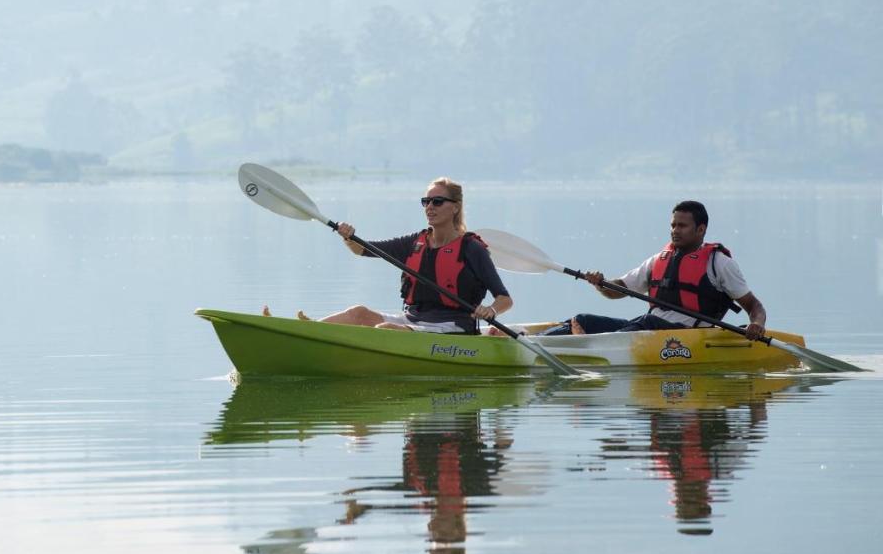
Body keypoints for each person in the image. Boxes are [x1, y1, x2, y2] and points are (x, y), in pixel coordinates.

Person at [304, 177, 512, 335]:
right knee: (358, 313)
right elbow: (362, 249)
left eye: (437, 201)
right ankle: (307, 331)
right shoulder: (415, 243)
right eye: (426, 201)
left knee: (386, 329)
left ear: (455, 207)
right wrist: (349, 238)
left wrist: (491, 310)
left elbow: (504, 299)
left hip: (452, 326)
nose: (430, 207)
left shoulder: (472, 248)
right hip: (412, 319)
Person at [546, 200, 768, 339]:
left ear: (701, 229)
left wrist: (756, 325)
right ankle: (529, 342)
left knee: (647, 322)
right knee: (584, 319)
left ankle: (582, 344)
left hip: (686, 337)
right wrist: (600, 283)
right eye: (673, 225)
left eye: (682, 226)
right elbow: (617, 290)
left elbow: (754, 306)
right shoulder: (659, 260)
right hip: (645, 329)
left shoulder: (719, 263)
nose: (675, 231)